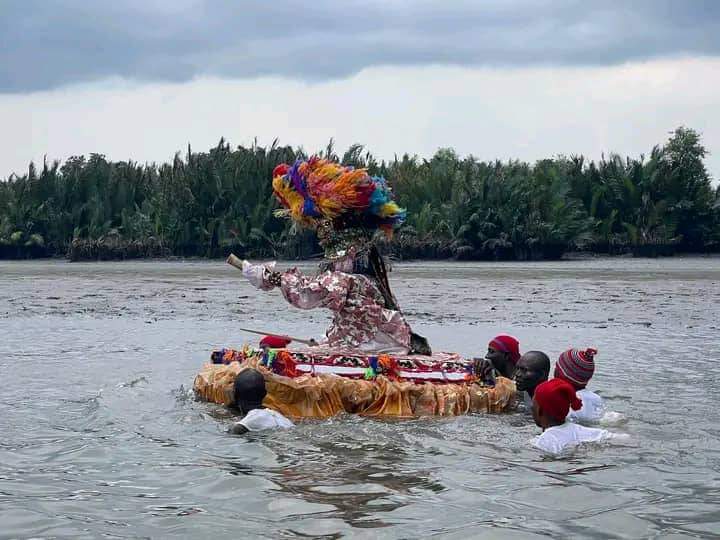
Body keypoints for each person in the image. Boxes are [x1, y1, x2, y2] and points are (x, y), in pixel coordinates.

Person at [237, 157, 430, 355]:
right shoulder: (371, 278)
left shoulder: (348, 280)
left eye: (322, 226)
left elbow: (308, 292)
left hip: (375, 346)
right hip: (370, 342)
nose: (319, 233)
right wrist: (325, 340)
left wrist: (268, 277)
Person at [532, 378, 614, 455]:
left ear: (540, 411)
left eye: (533, 405)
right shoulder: (589, 432)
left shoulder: (543, 442)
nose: (531, 408)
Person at [228, 369, 294, 434]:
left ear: (235, 394)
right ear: (264, 393)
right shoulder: (281, 418)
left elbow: (235, 431)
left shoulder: (243, 425)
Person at [554, 348, 605, 424]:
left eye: (557, 367)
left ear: (560, 374)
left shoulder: (563, 401)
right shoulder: (596, 398)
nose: (555, 369)